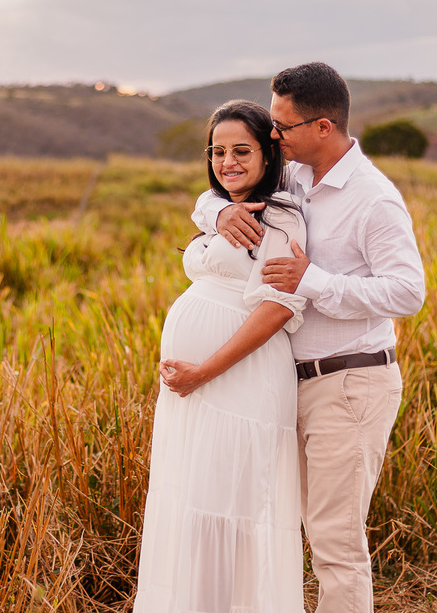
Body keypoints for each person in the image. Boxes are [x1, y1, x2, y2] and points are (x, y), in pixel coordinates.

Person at [179, 62, 425, 613]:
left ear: (322, 126)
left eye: (280, 128)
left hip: (350, 380)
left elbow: (409, 292)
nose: (272, 137)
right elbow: (220, 189)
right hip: (289, 384)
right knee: (285, 523)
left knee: (335, 541)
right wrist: (217, 213)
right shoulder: (294, 178)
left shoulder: (373, 198)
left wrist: (312, 282)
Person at [134, 100, 309, 613]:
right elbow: (203, 201)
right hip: (197, 392)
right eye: (218, 151)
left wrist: (204, 371)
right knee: (191, 499)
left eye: (241, 150)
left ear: (267, 153)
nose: (227, 161)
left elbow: (277, 308)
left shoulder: (279, 218)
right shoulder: (221, 209)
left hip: (240, 382)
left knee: (229, 504)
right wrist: (215, 207)